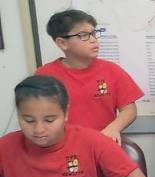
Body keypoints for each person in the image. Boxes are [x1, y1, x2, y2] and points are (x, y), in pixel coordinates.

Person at [0, 75, 149, 177]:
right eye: (29, 120)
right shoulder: (5, 146)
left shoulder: (93, 142)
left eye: (49, 120)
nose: (39, 129)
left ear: (66, 113)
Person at [37, 9, 143, 144]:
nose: (93, 40)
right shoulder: (44, 76)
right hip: (64, 147)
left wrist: (113, 129)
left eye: (93, 33)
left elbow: (129, 109)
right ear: (62, 43)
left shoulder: (111, 70)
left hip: (103, 144)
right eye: (84, 35)